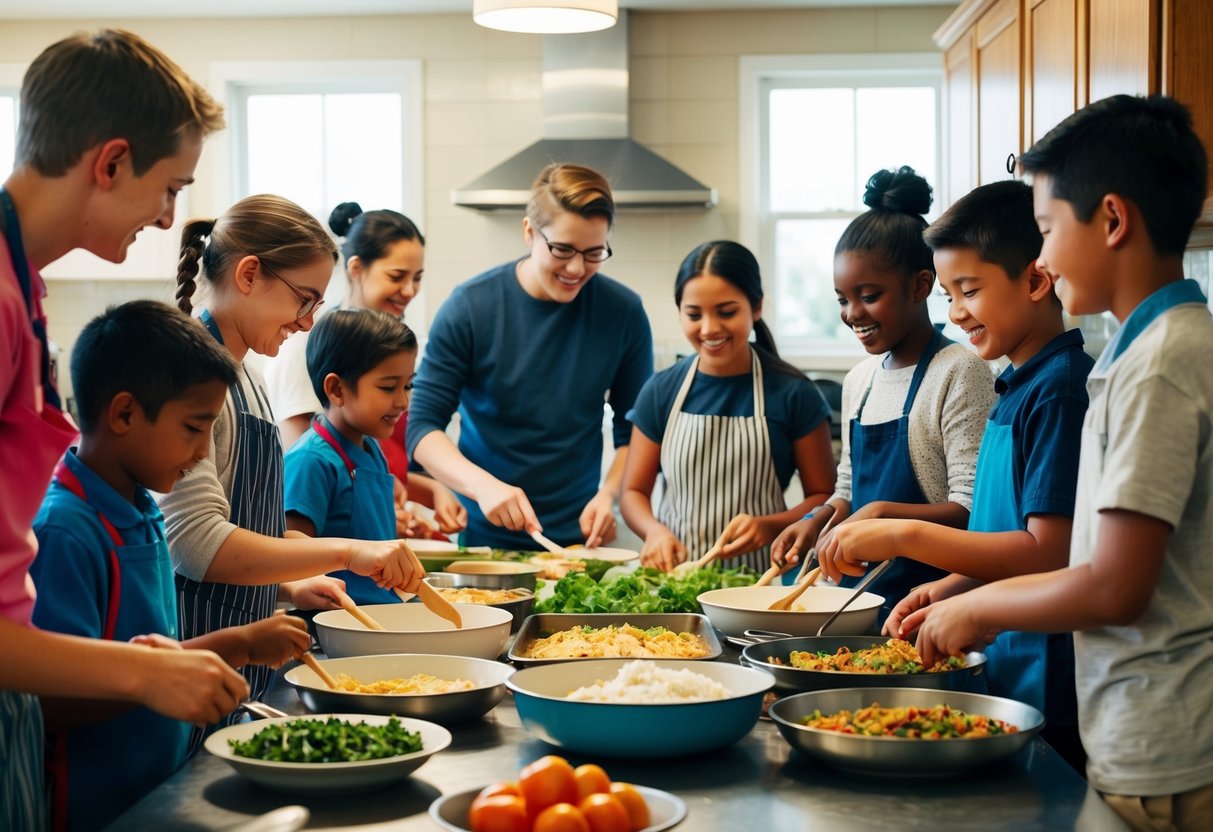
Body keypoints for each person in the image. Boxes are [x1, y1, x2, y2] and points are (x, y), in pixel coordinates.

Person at [903, 95, 1213, 832]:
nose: (1038, 258)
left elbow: (1113, 587)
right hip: (1142, 736)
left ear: (1110, 220)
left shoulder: (1160, 364)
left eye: (1044, 229)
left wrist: (973, 607)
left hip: (1163, 746)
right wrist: (959, 590)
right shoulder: (1144, 353)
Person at [0, 30, 249, 829]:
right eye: (169, 187)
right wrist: (137, 679)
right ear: (109, 162)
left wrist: (140, 666)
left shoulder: (21, 287)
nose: (170, 215)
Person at [817, 180, 1091, 771]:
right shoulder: (1014, 383)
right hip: (1004, 666)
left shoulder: (1059, 392)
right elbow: (1002, 532)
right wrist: (952, 586)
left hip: (1051, 681)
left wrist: (900, 532)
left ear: (1037, 280)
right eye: (949, 294)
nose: (956, 312)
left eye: (969, 290)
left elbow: (1048, 553)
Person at [30, 301, 311, 831]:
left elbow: (153, 660)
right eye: (193, 427)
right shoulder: (66, 531)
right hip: (96, 810)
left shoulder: (141, 508)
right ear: (124, 414)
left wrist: (241, 643)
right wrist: (165, 675)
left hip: (159, 788)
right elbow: (54, 700)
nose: (204, 450)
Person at [161, 194, 425, 733]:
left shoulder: (247, 375)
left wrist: (287, 587)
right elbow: (196, 545)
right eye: (304, 300)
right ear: (250, 274)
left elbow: (243, 530)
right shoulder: (191, 379)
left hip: (241, 671)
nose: (306, 324)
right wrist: (348, 552)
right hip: (198, 665)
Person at [770, 166, 995, 622]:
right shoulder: (861, 380)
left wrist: (883, 514)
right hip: (851, 605)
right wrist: (815, 521)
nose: (853, 314)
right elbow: (848, 488)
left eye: (869, 295)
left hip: (925, 606)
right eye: (842, 299)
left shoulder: (961, 371)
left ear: (920, 285)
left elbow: (973, 511)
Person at [407, 163, 653, 550]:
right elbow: (421, 428)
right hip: (484, 540)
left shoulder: (623, 313)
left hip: (580, 541)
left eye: (594, 253)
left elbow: (634, 434)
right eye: (562, 249)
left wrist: (609, 495)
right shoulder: (470, 307)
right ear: (528, 233)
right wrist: (482, 486)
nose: (577, 268)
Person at [620, 241, 835, 573]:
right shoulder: (661, 390)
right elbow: (633, 491)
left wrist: (770, 526)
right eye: (694, 314)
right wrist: (654, 531)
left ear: (757, 307)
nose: (709, 329)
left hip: (759, 584)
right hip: (674, 582)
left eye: (726, 312)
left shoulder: (794, 393)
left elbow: (825, 498)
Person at [264, 202, 465, 537]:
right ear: (356, 268)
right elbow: (318, 471)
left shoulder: (400, 348)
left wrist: (430, 492)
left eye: (417, 278)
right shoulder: (306, 344)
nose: (410, 290)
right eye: (397, 276)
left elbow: (367, 464)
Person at [284, 308, 419, 605]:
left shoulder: (372, 449)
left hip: (388, 616)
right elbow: (291, 559)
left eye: (408, 385)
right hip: (341, 623)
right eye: (388, 387)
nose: (403, 401)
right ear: (337, 389)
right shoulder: (311, 461)